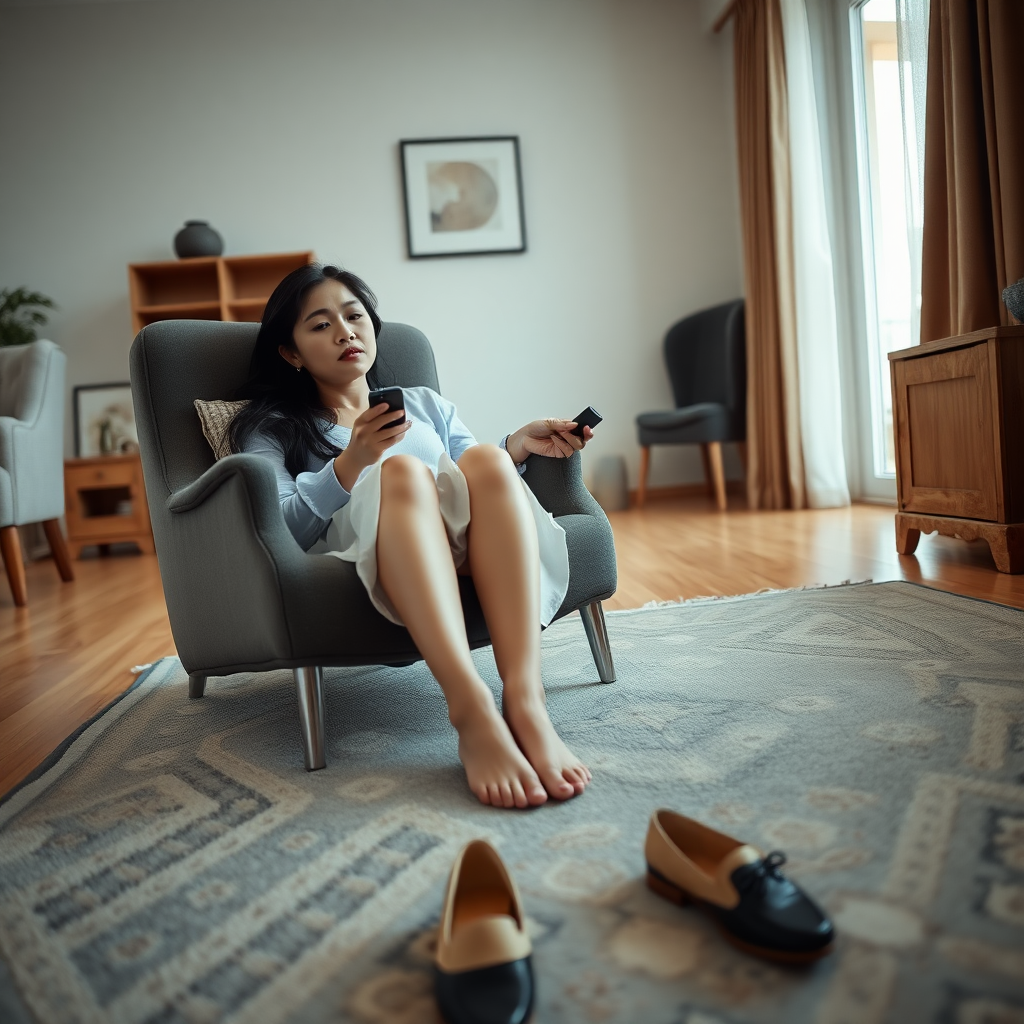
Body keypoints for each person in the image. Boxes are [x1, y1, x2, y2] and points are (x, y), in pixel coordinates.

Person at [229, 264, 593, 810]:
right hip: (374, 544)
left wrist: (518, 445)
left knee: (490, 458)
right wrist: (352, 463)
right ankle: (470, 708)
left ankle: (525, 700)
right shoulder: (274, 425)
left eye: (354, 317)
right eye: (321, 325)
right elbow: (278, 527)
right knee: (400, 473)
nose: (345, 332)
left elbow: (472, 478)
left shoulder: (425, 404)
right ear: (292, 352)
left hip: (461, 541)